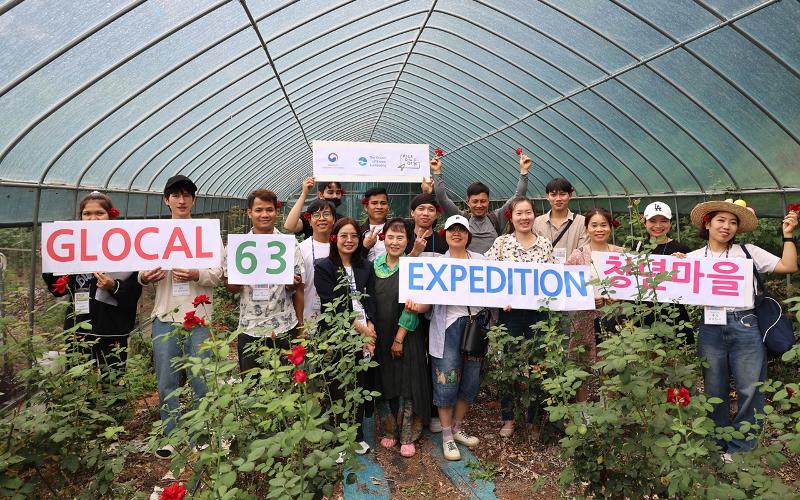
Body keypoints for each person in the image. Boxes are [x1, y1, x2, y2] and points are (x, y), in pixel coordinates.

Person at [686, 200, 797, 456]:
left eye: (733, 222)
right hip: (710, 327)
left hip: (745, 323)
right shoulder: (692, 258)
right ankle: (717, 443)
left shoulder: (748, 252)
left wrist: (788, 236)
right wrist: (675, 263)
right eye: (721, 220)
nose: (726, 227)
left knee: (750, 388)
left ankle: (742, 448)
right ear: (708, 222)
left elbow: (788, 266)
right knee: (714, 388)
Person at [138, 175, 224, 459]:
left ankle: (203, 432)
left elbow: (218, 274)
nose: (181, 200)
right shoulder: (154, 234)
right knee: (166, 380)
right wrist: (145, 276)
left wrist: (197, 273)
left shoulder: (208, 234)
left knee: (201, 378)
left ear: (194, 200)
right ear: (167, 200)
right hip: (165, 316)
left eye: (187, 195)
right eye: (175, 195)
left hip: (198, 317)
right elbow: (141, 270)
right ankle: (172, 435)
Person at [406, 215, 488, 460]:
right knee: (446, 378)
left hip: (477, 325)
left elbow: (496, 288)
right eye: (452, 229)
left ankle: (457, 427)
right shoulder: (437, 264)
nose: (456, 233)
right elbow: (427, 301)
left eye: (461, 229)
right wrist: (415, 306)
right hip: (448, 325)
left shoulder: (481, 261)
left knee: (471, 379)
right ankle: (446, 436)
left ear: (467, 234)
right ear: (445, 235)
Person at [42, 192, 142, 377]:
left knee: (113, 382)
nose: (93, 218)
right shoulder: (71, 246)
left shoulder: (126, 247)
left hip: (112, 328)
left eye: (99, 213)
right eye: (87, 214)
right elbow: (59, 290)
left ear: (110, 215)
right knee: (80, 385)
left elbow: (134, 292)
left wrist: (114, 286)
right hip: (78, 329)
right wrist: (50, 264)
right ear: (80, 217)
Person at [486, 196, 556, 438]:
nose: (524, 217)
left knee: (538, 366)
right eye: (519, 213)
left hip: (538, 315)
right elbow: (487, 277)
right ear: (511, 217)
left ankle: (533, 420)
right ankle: (508, 418)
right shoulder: (502, 243)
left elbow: (554, 279)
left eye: (528, 212)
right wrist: (499, 299)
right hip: (510, 314)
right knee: (510, 364)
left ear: (534, 215)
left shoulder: (545, 245)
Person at [314, 217, 378, 456]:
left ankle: (358, 434)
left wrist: (371, 328)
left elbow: (370, 299)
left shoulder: (365, 267)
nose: (349, 241)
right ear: (335, 238)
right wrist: (363, 330)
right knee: (337, 386)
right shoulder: (324, 267)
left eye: (354, 236)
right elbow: (331, 305)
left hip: (363, 333)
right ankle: (338, 440)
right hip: (336, 334)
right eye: (344, 236)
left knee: (359, 385)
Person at [225, 189, 302, 376]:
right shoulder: (238, 246)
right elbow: (230, 287)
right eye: (259, 210)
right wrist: (237, 281)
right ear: (249, 213)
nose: (265, 214)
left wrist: (292, 283)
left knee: (286, 384)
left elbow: (298, 285)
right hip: (250, 326)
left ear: (276, 212)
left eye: (270, 209)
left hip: (284, 326)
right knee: (252, 387)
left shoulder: (288, 244)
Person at [372, 218, 430, 458]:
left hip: (405, 333)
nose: (395, 242)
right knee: (385, 380)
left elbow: (412, 306)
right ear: (383, 238)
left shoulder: (412, 266)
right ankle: (389, 430)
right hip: (380, 334)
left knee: (407, 383)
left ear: (408, 240)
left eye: (400, 237)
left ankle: (408, 434)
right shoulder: (374, 265)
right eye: (391, 237)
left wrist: (399, 337)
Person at [565, 208, 625, 403]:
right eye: (594, 225)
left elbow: (630, 286)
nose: (599, 229)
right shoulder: (578, 255)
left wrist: (619, 297)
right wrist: (589, 298)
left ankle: (608, 407)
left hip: (612, 317)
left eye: (603, 225)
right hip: (584, 318)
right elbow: (567, 288)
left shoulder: (620, 254)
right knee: (581, 364)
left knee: (609, 363)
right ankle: (582, 409)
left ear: (610, 227)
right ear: (587, 228)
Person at [427, 151, 531, 253]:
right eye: (475, 201)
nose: (479, 205)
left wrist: (524, 171)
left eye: (483, 201)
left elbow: (518, 197)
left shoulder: (496, 218)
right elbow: (442, 198)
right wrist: (437, 172)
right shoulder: (461, 218)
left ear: (488, 201)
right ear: (468, 201)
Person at [633, 201, 693, 343]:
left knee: (672, 356)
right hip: (644, 310)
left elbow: (690, 284)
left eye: (663, 221)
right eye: (652, 221)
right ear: (644, 222)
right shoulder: (637, 247)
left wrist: (682, 263)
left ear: (670, 223)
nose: (658, 226)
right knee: (647, 354)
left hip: (672, 311)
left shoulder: (680, 249)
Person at [298, 199, 335, 331]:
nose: (321, 219)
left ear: (334, 219)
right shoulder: (301, 249)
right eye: (316, 215)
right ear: (309, 220)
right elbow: (298, 289)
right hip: (309, 317)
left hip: (338, 319)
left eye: (326, 214)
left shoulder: (341, 247)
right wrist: (300, 324)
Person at [532, 178, 588, 263]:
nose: (558, 199)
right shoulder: (537, 222)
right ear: (547, 196)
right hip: (545, 273)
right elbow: (534, 252)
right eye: (553, 195)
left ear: (570, 195)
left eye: (562, 194)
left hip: (573, 273)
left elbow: (583, 252)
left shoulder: (581, 222)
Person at [360, 187, 390, 262]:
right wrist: (365, 248)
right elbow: (353, 262)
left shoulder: (398, 229)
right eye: (374, 203)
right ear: (366, 207)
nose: (379, 207)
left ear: (388, 207)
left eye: (383, 203)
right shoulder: (358, 232)